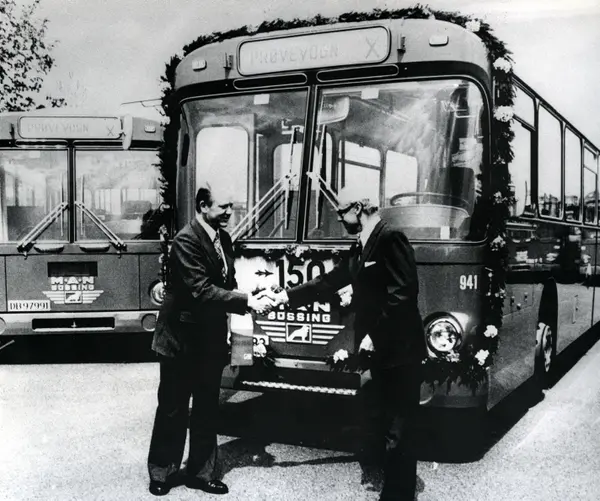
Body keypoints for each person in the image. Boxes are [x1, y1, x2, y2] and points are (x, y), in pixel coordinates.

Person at [270, 187, 426, 501]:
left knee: (398, 430)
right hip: (381, 354)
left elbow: (403, 294)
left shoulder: (390, 239)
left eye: (341, 212)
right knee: (385, 425)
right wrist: (285, 297)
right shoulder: (361, 245)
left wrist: (374, 335)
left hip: (400, 353)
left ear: (358, 208)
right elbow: (329, 281)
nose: (339, 218)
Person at [147, 184, 273, 496]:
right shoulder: (186, 240)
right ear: (203, 206)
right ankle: (162, 472)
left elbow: (226, 283)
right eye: (223, 206)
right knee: (173, 408)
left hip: (209, 339)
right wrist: (246, 301)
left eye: (231, 206)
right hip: (180, 340)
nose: (230, 212)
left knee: (206, 408)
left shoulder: (223, 239)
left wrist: (250, 295)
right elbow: (201, 290)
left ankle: (201, 474)